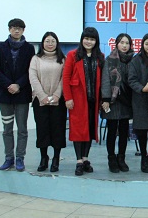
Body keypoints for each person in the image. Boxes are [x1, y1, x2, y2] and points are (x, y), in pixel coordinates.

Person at [0, 18, 36, 172]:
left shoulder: (29, 48)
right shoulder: (0, 47)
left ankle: (20, 158)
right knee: (7, 129)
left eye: (19, 28)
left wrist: (18, 85)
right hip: (4, 94)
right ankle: (8, 157)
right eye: (13, 28)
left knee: (22, 128)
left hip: (22, 93)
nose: (16, 30)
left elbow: (31, 70)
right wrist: (8, 85)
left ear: (23, 30)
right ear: (9, 29)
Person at [62, 27, 104, 176]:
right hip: (77, 100)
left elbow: (102, 80)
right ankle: (79, 161)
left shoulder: (100, 56)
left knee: (90, 129)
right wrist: (68, 98)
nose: (89, 42)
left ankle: (86, 158)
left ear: (96, 41)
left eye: (92, 39)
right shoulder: (73, 55)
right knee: (78, 130)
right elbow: (65, 77)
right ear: (82, 39)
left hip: (93, 100)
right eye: (86, 38)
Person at [28, 31, 67, 173]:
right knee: (42, 129)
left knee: (58, 129)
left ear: (57, 43)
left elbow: (64, 78)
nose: (50, 44)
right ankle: (43, 158)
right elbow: (33, 78)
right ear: (42, 43)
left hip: (58, 100)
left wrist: (57, 95)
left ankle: (56, 158)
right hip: (40, 100)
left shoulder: (63, 59)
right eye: (47, 41)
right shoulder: (36, 59)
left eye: (53, 41)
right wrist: (42, 95)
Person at [101, 33, 134, 173]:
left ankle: (121, 158)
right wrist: (106, 99)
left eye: (127, 43)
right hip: (113, 102)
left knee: (124, 131)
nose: (124, 45)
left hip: (127, 101)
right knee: (112, 131)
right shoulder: (109, 60)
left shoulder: (133, 60)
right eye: (122, 42)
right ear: (116, 44)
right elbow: (105, 80)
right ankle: (111, 158)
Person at [128, 33, 148, 173]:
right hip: (140, 100)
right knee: (142, 131)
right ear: (142, 45)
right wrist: (142, 88)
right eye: (147, 44)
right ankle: (143, 157)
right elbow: (131, 80)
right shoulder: (135, 61)